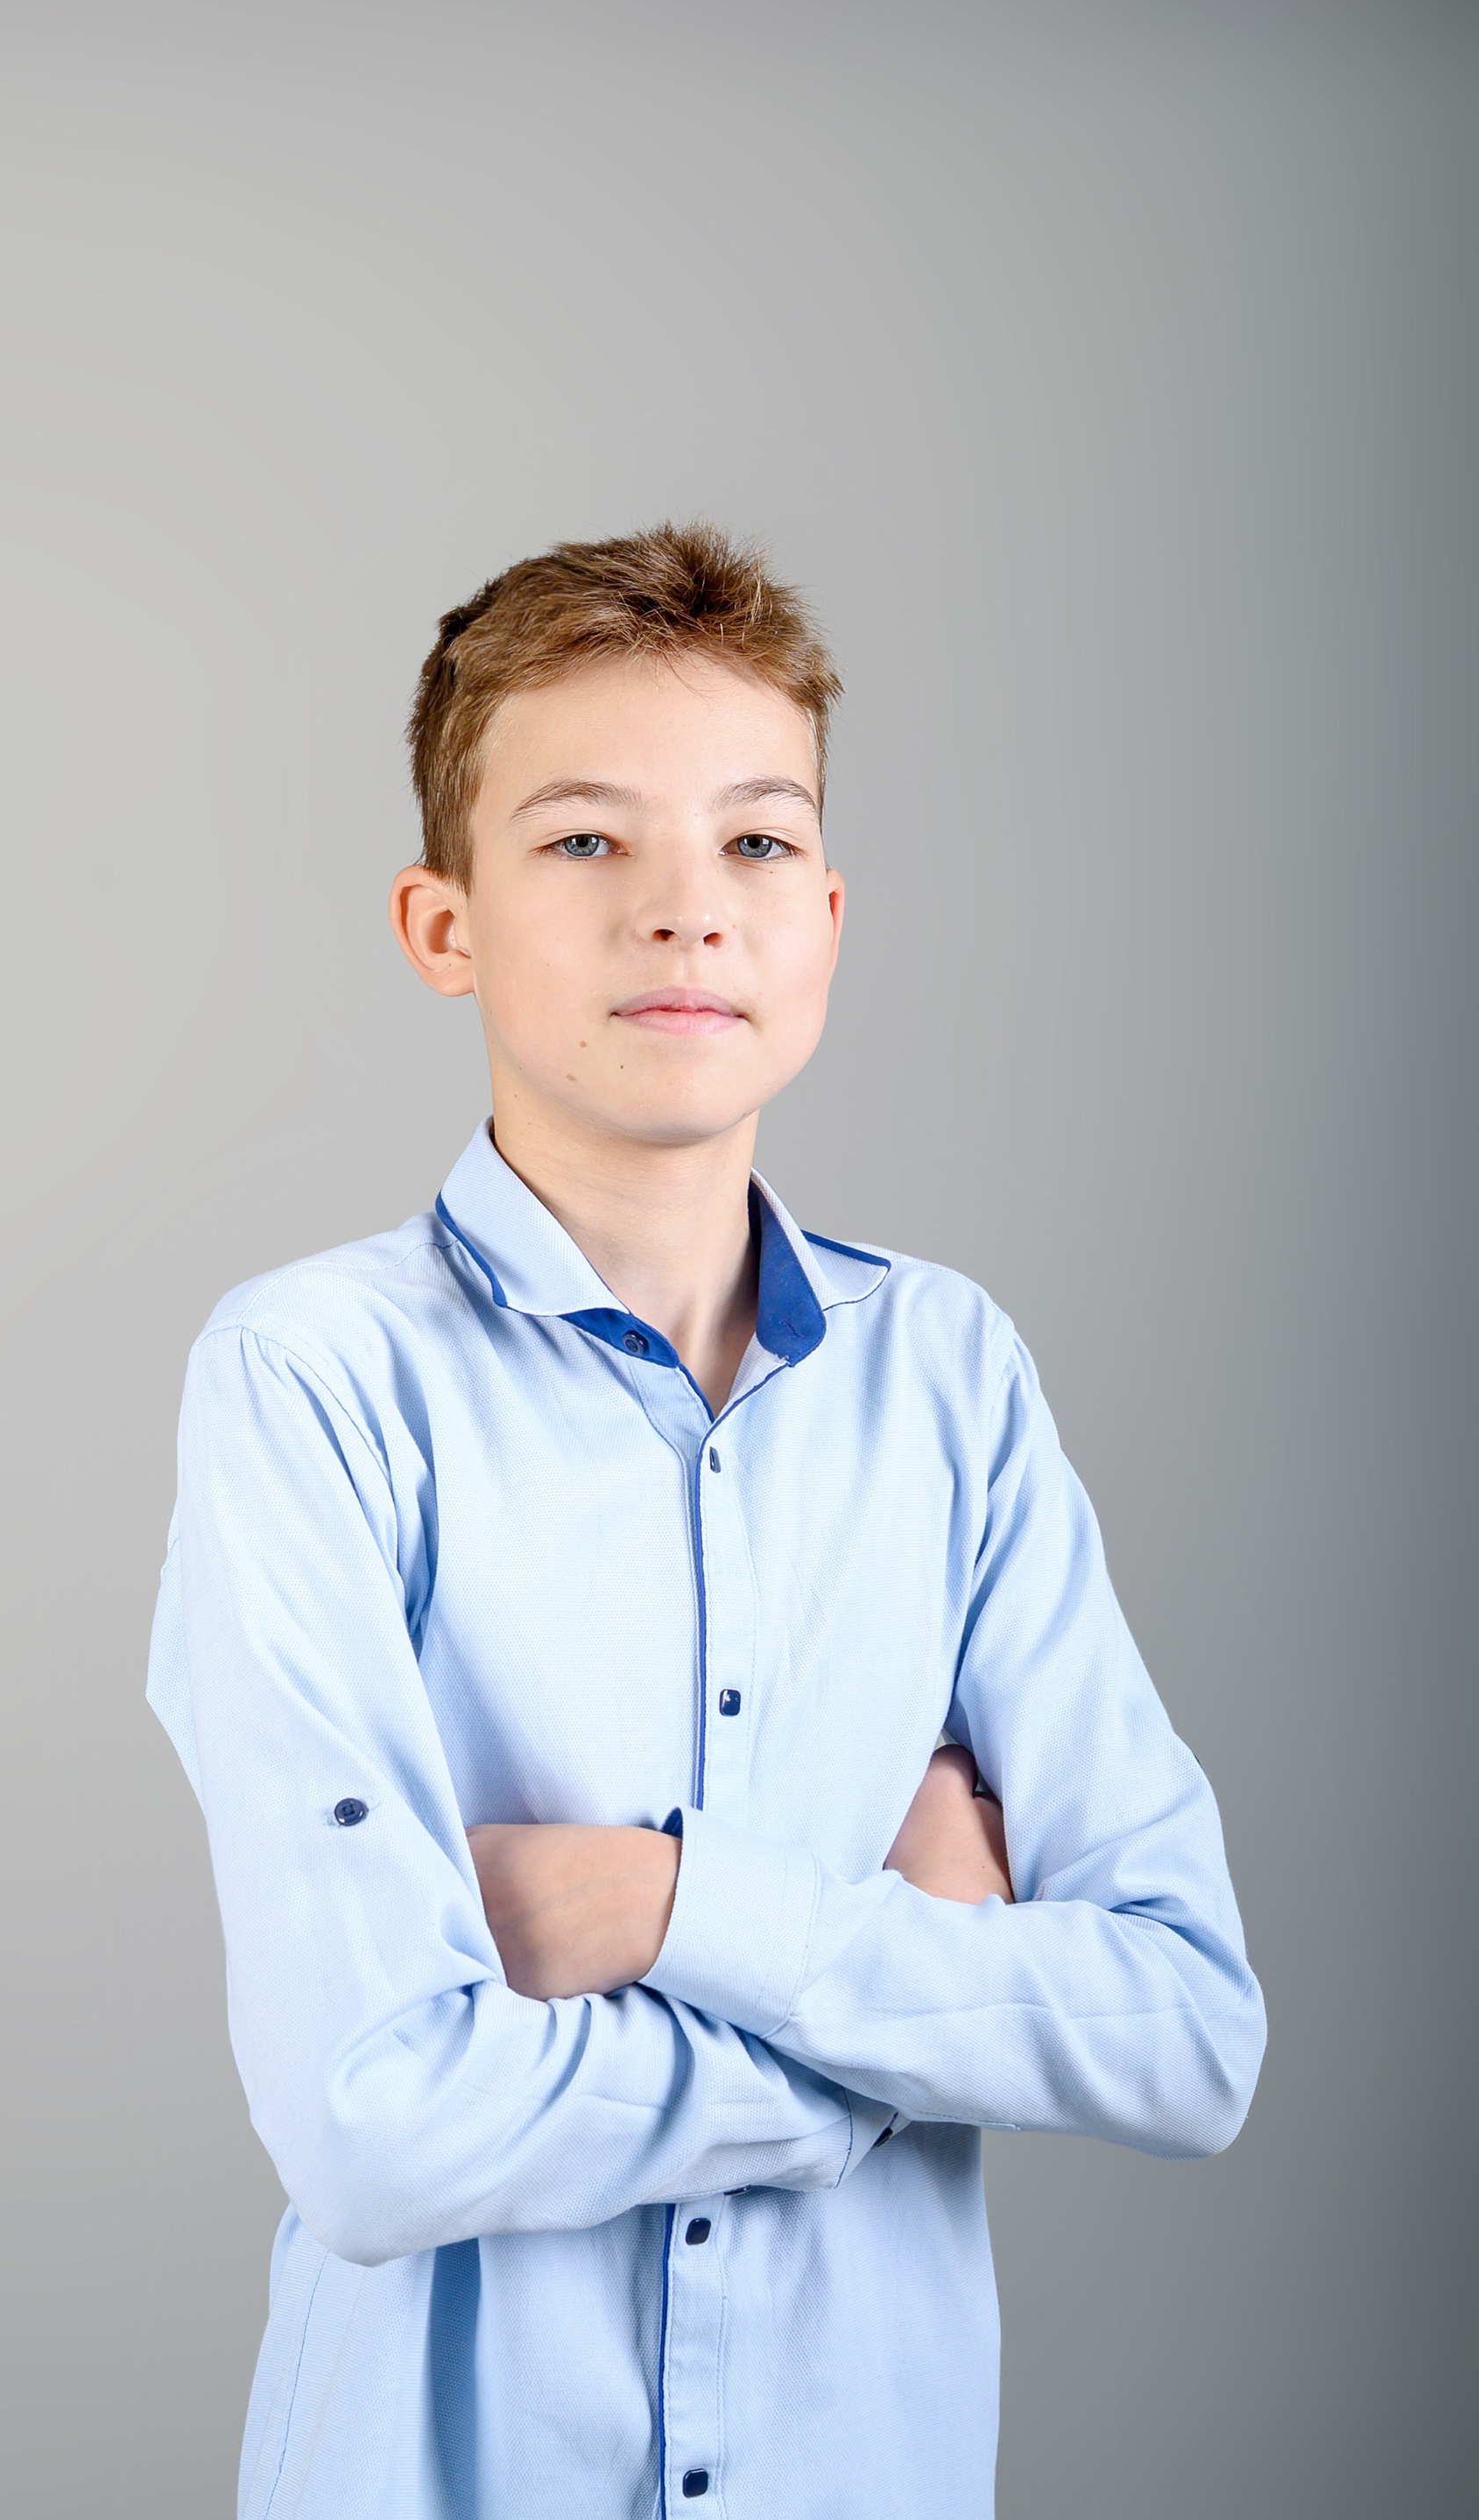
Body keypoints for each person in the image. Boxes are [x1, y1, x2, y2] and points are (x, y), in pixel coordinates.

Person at [146, 523, 1265, 2520]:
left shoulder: (950, 1378)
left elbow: (1187, 2032)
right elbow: (377, 2126)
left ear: (826, 918)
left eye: (754, 842)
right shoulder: (310, 1381)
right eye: (586, 839)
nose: (685, 909)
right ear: (443, 923)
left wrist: (673, 1910)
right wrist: (902, 2013)